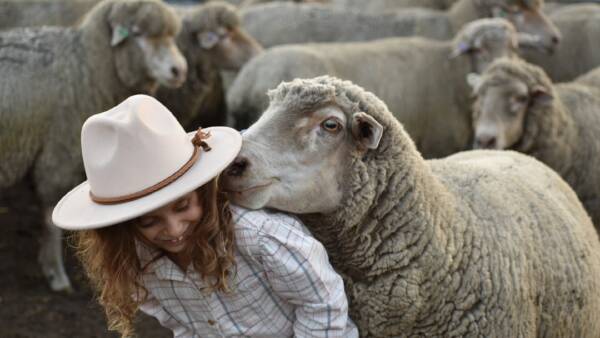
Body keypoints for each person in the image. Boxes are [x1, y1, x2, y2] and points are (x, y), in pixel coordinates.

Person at [52, 95, 358, 338]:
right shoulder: (140, 264)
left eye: (183, 206)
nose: (173, 230)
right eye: (148, 221)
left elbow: (322, 303)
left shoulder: (260, 236)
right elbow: (184, 325)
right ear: (121, 227)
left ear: (202, 191)